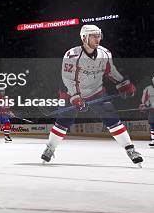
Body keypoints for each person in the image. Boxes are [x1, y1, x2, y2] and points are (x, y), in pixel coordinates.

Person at [41, 25, 143, 165]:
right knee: (64, 121)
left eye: (99, 35)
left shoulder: (105, 53)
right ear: (84, 37)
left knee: (111, 118)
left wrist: (122, 84)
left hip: (96, 92)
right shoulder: (72, 55)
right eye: (93, 35)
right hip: (70, 92)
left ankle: (130, 149)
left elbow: (110, 71)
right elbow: (68, 79)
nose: (98, 38)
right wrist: (76, 97)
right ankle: (50, 148)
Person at [139, 77, 154, 147]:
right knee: (152, 125)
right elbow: (144, 99)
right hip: (152, 110)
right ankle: (153, 139)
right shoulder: (148, 88)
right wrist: (144, 105)